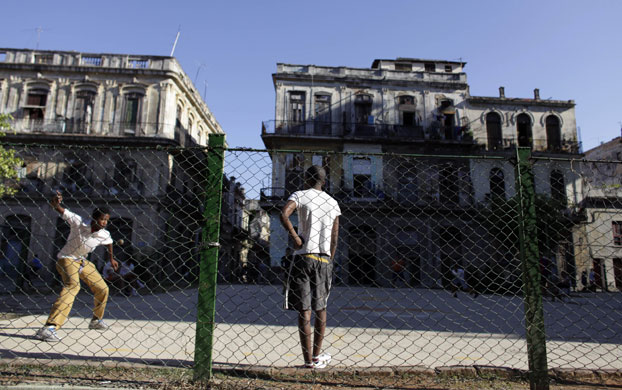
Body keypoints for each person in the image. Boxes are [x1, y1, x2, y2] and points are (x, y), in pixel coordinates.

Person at [35, 191, 118, 342]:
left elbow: (110, 243)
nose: (104, 223)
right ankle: (49, 327)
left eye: (106, 220)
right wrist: (56, 203)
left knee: (102, 288)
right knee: (73, 286)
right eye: (102, 219)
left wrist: (111, 259)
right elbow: (60, 210)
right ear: (94, 218)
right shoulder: (78, 222)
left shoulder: (104, 234)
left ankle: (96, 320)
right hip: (67, 258)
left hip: (82, 261)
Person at [280, 165, 340, 369]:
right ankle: (316, 356)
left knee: (304, 309)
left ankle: (307, 360)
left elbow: (284, 214)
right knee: (320, 307)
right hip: (323, 259)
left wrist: (296, 237)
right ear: (324, 181)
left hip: (303, 256)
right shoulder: (333, 203)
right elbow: (334, 236)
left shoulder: (300, 195)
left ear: (306, 179)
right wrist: (329, 258)